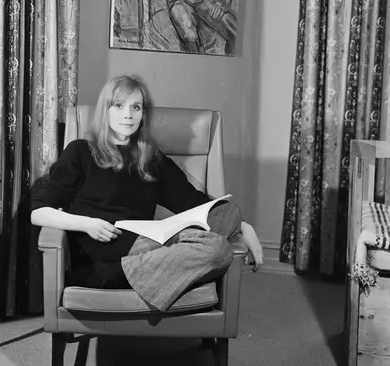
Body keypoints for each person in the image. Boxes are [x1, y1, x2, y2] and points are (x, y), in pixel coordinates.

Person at [30, 74, 263, 312]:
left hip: (147, 248)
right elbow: (38, 211)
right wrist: (87, 224)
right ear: (105, 110)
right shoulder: (80, 151)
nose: (128, 115)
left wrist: (243, 226)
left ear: (143, 114)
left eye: (136, 107)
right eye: (118, 106)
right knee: (218, 251)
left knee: (222, 233)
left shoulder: (151, 159)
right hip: (100, 256)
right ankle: (146, 280)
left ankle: (143, 280)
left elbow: (195, 203)